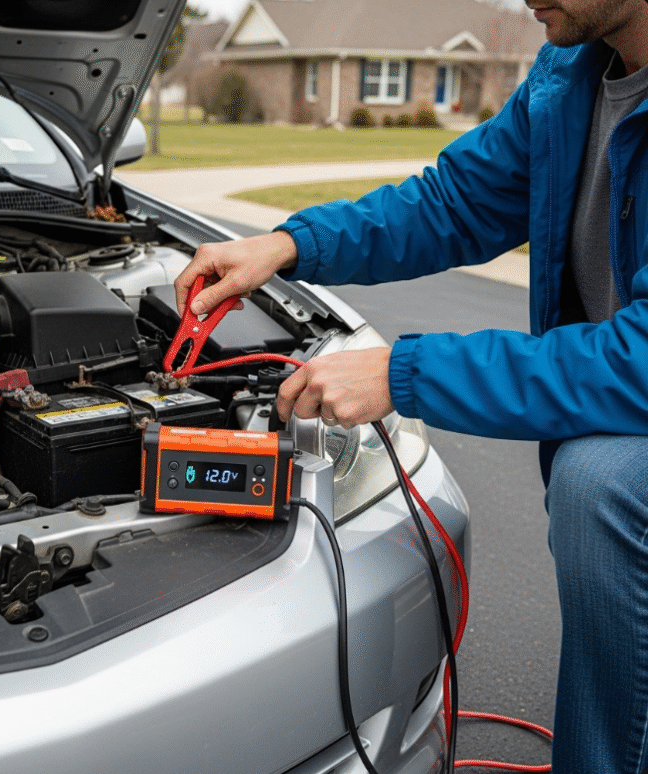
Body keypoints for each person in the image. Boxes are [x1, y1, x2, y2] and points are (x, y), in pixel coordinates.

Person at [174, 1, 648, 772]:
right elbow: (453, 203)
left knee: (602, 483)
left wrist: (404, 373)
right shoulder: (567, 75)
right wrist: (290, 244)